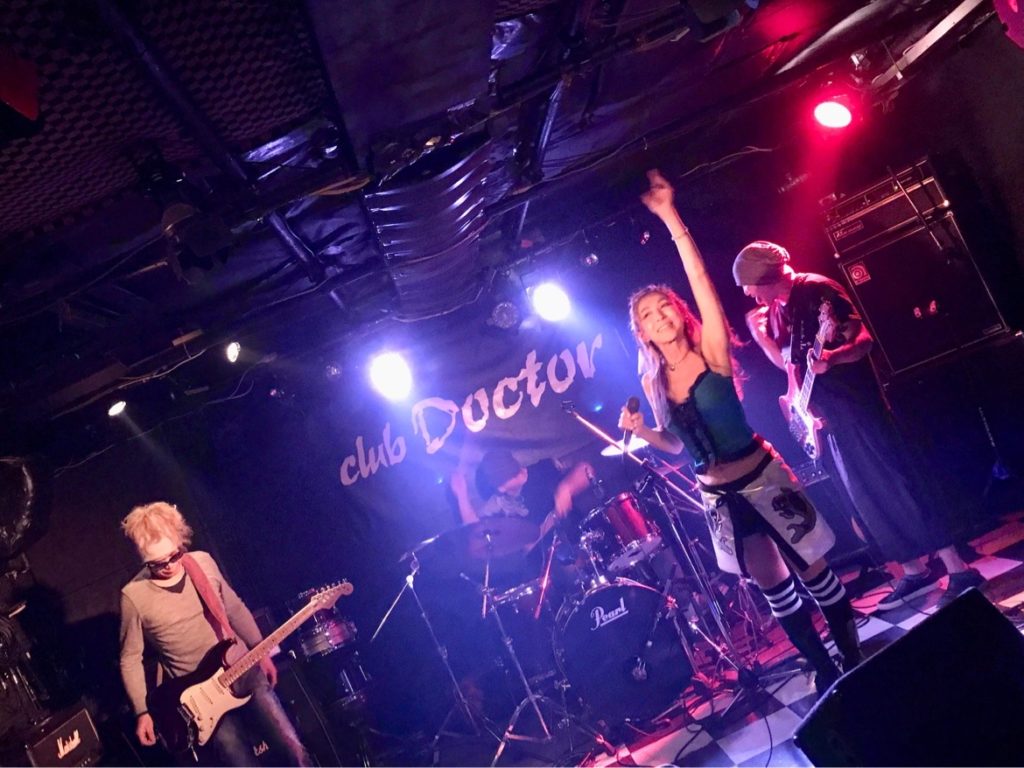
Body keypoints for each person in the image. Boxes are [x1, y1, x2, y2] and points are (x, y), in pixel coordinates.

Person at [617, 170, 859, 693]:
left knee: (814, 571)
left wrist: (670, 216)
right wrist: (642, 432)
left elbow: (700, 279)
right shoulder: (651, 379)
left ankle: (854, 657)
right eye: (648, 316)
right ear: (641, 332)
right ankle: (825, 671)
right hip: (719, 498)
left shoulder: (712, 352)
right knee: (776, 590)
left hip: (761, 476)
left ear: (679, 313)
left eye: (664, 307)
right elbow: (676, 446)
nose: (660, 317)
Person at [733, 241, 985, 610]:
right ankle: (914, 571)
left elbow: (863, 340)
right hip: (827, 422)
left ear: (766, 275)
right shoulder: (774, 313)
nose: (747, 294)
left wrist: (832, 358)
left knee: (898, 486)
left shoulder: (816, 290)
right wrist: (761, 339)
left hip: (857, 409)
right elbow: (789, 366)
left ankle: (957, 568)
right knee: (868, 501)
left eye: (749, 284)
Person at [118, 502, 309, 766]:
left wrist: (260, 651)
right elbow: (130, 658)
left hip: (243, 671)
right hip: (201, 699)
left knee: (292, 751)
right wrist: (142, 712)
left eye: (175, 555)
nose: (170, 566)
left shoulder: (203, 562)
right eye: (158, 564)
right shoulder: (133, 597)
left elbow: (234, 608)